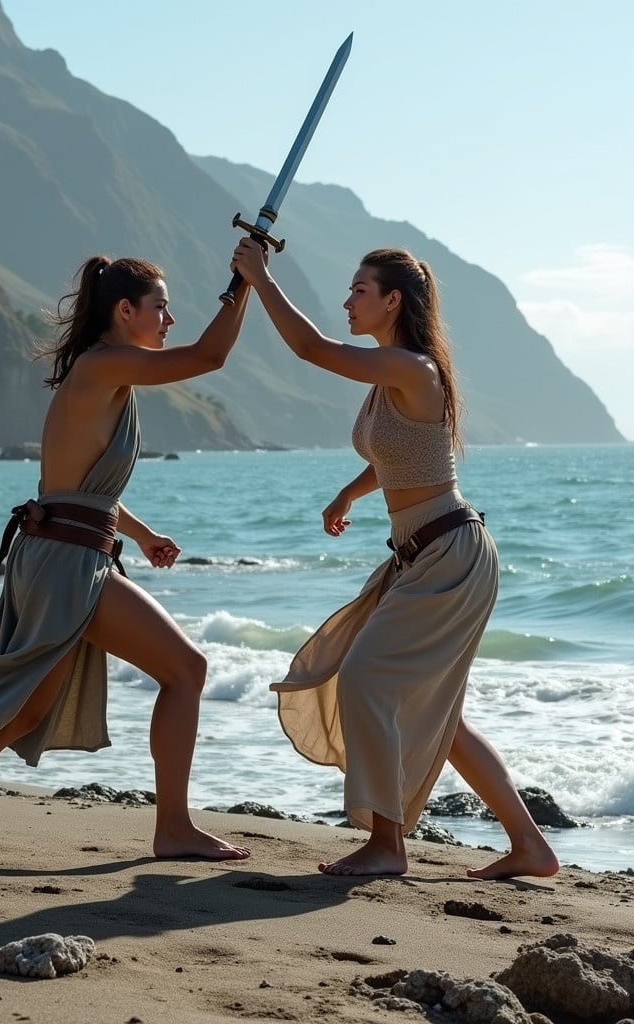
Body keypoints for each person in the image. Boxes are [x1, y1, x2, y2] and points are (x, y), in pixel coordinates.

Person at [0, 255, 253, 862]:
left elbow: (78, 489)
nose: (170, 317)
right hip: (65, 561)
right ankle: (174, 830)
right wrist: (247, 285)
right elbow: (209, 356)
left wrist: (137, 533)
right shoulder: (105, 365)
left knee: (26, 707)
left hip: (63, 551)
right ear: (125, 310)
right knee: (186, 670)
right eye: (160, 306)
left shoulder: (105, 372)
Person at [230, 238, 559, 880]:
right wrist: (347, 493)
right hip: (422, 553)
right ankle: (530, 846)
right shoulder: (391, 374)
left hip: (450, 555)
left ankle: (387, 845)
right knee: (440, 718)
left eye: (359, 290)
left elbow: (310, 350)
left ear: (392, 300)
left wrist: (259, 277)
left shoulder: (415, 370)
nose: (347, 300)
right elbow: (398, 455)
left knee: (365, 678)